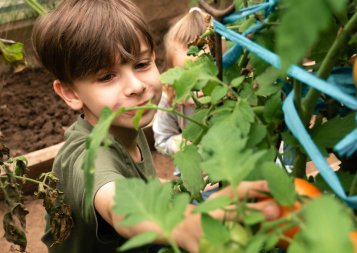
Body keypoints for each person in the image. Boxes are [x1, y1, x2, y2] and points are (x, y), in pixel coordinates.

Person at [31, 1, 281, 253]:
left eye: (141, 64)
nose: (136, 86)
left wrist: (175, 189)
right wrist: (184, 224)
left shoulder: (125, 124)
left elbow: (140, 183)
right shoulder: (86, 158)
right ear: (71, 93)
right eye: (107, 76)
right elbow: (118, 204)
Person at [153, 8, 209, 176]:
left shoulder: (230, 98)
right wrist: (182, 144)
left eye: (205, 74)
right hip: (192, 179)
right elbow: (162, 140)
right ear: (172, 72)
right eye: (185, 75)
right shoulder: (171, 100)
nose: (194, 85)